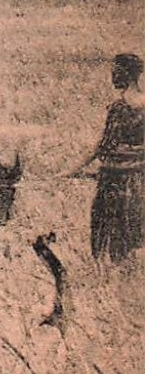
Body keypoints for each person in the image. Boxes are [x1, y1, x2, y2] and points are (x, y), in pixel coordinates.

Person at [67, 53, 144, 263]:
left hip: (115, 178)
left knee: (110, 230)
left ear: (126, 74)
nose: (112, 75)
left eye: (115, 71)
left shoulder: (119, 107)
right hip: (139, 179)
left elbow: (102, 147)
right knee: (133, 229)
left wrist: (72, 170)